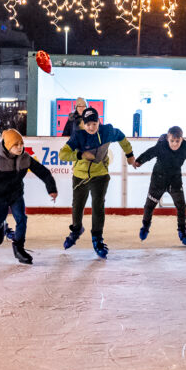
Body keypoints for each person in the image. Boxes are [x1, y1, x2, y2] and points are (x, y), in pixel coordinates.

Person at [59, 107, 135, 259]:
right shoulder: (78, 136)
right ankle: (76, 229)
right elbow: (63, 154)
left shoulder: (107, 132)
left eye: (94, 123)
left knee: (98, 205)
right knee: (77, 205)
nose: (91, 127)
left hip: (100, 175)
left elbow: (121, 137)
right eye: (88, 124)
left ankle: (97, 238)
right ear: (83, 124)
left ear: (99, 121)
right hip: (80, 176)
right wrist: (80, 154)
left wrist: (130, 155)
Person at [0, 129, 58, 264]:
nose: (20, 147)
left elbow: (43, 172)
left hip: (15, 194)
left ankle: (19, 248)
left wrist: (51, 189)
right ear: (8, 146)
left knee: (21, 218)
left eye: (21, 143)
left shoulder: (25, 158)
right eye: (16, 144)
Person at [132, 126, 186, 245]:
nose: (174, 144)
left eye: (177, 141)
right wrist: (139, 161)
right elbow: (150, 153)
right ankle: (145, 226)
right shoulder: (161, 146)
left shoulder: (185, 149)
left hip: (175, 181)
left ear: (181, 139)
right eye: (172, 141)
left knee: (181, 207)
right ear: (168, 139)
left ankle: (182, 232)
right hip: (158, 180)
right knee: (149, 205)